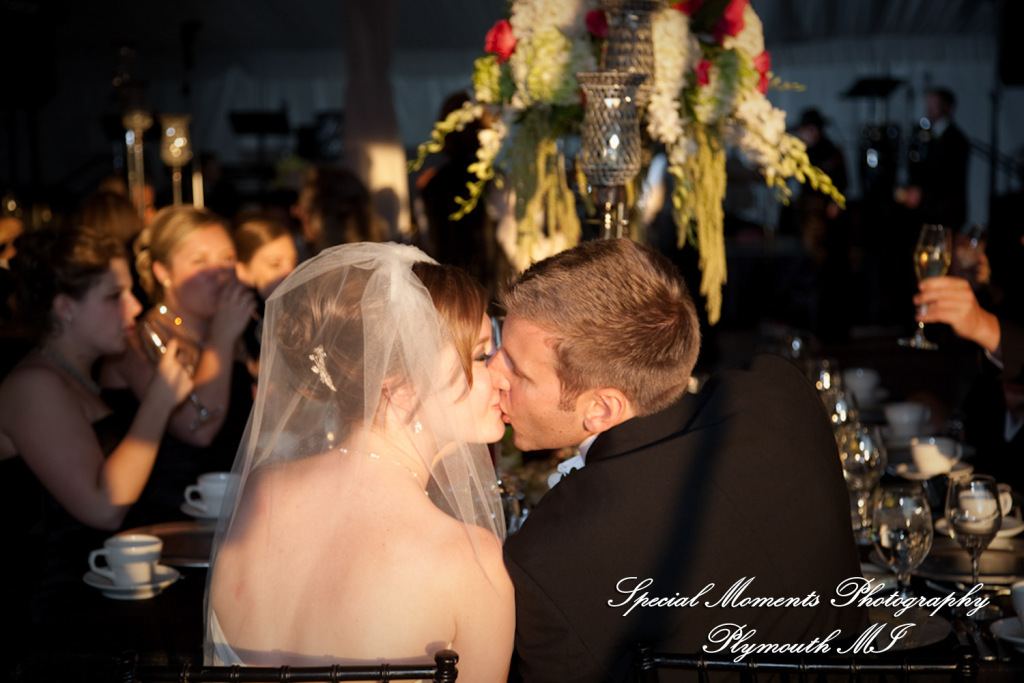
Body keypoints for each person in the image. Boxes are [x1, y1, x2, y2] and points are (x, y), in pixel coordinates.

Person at [490, 238, 866, 682]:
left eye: (517, 369)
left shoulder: (549, 559)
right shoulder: (782, 395)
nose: (491, 373)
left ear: (602, 409)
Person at [205, 243, 514, 681]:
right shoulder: (469, 559)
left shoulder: (263, 493)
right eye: (481, 356)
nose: (501, 375)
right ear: (400, 387)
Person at [0, 226, 192, 625]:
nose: (135, 307)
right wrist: (158, 403)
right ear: (65, 306)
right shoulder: (33, 385)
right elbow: (103, 507)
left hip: (99, 594)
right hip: (52, 620)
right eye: (114, 296)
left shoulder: (77, 377)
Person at [100, 205, 256, 525]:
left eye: (226, 258)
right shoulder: (137, 342)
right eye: (200, 261)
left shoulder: (237, 330)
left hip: (236, 512)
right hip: (169, 519)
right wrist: (221, 340)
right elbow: (198, 430)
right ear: (162, 272)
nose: (220, 273)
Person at [897, 87, 970, 231]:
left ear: (946, 106)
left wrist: (922, 193)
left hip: (945, 212)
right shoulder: (924, 136)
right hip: (925, 211)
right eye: (928, 104)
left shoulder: (956, 140)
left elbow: (950, 177)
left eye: (933, 104)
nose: (929, 108)